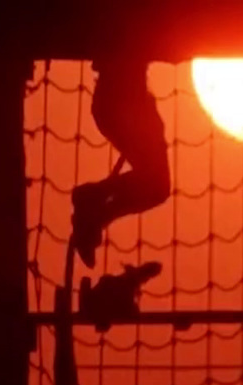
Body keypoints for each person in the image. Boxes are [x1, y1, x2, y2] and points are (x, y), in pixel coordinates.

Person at [72, 57, 172, 269]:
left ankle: (95, 207)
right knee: (157, 185)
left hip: (127, 105)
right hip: (125, 106)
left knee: (157, 186)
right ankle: (93, 200)